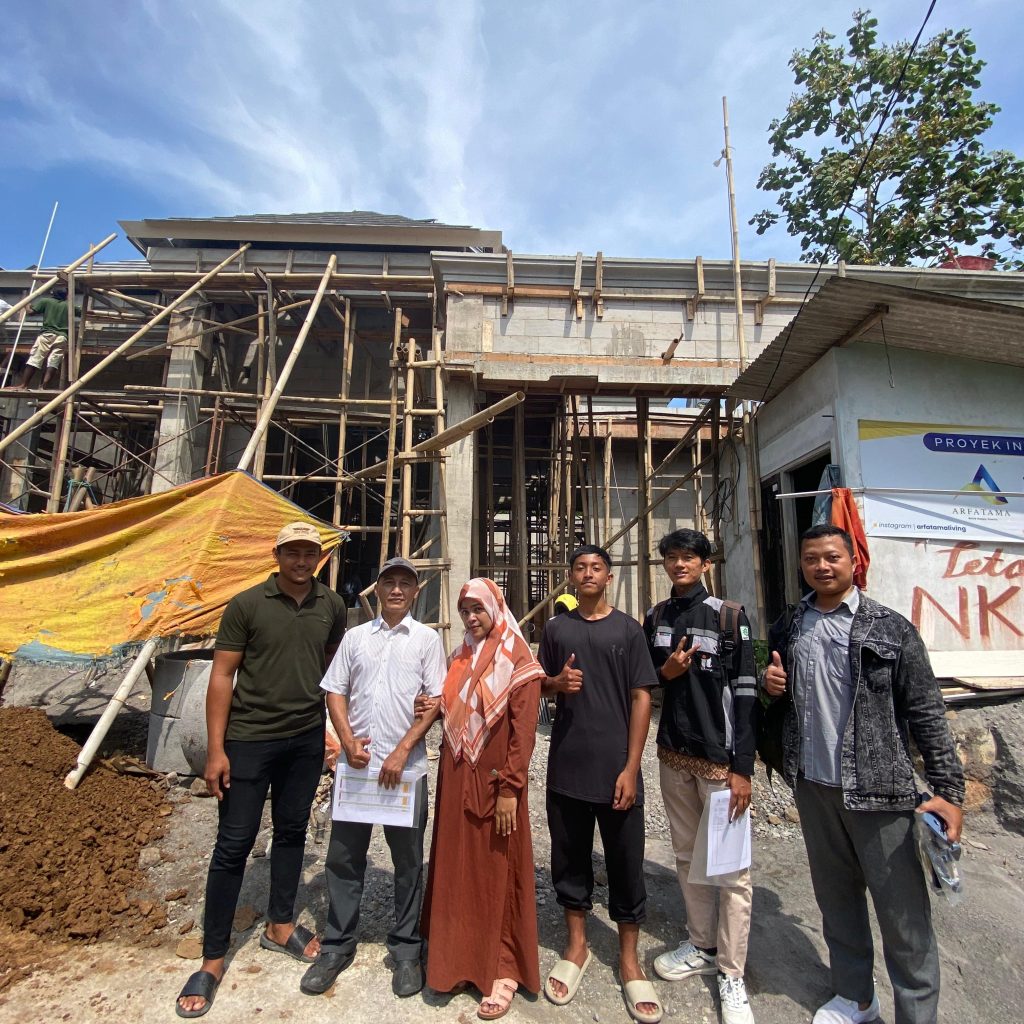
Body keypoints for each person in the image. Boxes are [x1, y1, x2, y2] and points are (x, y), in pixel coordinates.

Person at [762, 524, 965, 1024]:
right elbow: (778, 697)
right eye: (811, 559)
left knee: (903, 917)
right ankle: (855, 997)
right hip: (812, 784)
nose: (821, 566)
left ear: (854, 561)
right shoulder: (790, 624)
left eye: (832, 557)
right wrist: (771, 686)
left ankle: (916, 1014)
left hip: (881, 791)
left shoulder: (889, 628)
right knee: (837, 900)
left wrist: (949, 791)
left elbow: (925, 711)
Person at [176, 521, 345, 1019]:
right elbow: (222, 675)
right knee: (233, 844)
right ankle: (211, 959)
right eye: (292, 552)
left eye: (309, 553)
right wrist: (215, 749)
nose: (300, 561)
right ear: (277, 556)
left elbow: (333, 669)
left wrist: (333, 731)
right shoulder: (247, 604)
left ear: (319, 557)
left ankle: (280, 925)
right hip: (249, 741)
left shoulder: (331, 606)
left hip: (304, 741)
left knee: (293, 832)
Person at [301, 556, 447, 998]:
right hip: (358, 767)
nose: (398, 590)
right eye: (390, 583)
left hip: (406, 771)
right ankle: (337, 944)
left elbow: (437, 698)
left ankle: (405, 950)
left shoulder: (426, 640)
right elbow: (334, 690)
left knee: (407, 862)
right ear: (377, 590)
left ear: (416, 591)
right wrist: (346, 741)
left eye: (406, 583)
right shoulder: (354, 638)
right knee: (344, 858)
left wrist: (403, 749)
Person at [539, 545, 663, 1024]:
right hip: (567, 763)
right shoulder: (556, 629)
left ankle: (629, 960)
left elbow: (641, 698)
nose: (587, 574)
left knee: (626, 860)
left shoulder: (628, 631)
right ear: (570, 576)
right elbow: (540, 684)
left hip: (616, 768)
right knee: (568, 858)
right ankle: (576, 946)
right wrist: (555, 684)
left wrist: (632, 767)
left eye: (596, 568)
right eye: (579, 568)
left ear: (609, 578)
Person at [643, 529, 757, 1024]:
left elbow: (748, 693)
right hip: (674, 755)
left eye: (688, 557)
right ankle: (701, 946)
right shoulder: (657, 616)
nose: (679, 565)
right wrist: (665, 671)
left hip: (720, 759)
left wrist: (743, 770)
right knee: (689, 857)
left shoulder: (729, 616)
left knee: (731, 870)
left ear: (705, 563)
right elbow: (648, 680)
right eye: (671, 558)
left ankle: (733, 974)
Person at [419, 578, 545, 1020]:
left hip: (496, 781)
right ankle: (455, 962)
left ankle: (502, 969)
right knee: (458, 865)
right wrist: (428, 706)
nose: (472, 618)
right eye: (465, 610)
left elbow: (524, 730)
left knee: (498, 867)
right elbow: (450, 709)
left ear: (496, 607)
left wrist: (511, 787)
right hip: (456, 775)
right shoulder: (460, 657)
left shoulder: (517, 656)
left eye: (479, 609)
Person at [11, 288, 68, 390]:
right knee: (53, 362)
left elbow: (30, 312)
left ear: (53, 294)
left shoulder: (46, 301)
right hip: (62, 337)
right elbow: (83, 311)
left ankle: (23, 385)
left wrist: (26, 301)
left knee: (35, 359)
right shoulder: (68, 305)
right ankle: (43, 387)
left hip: (47, 334)